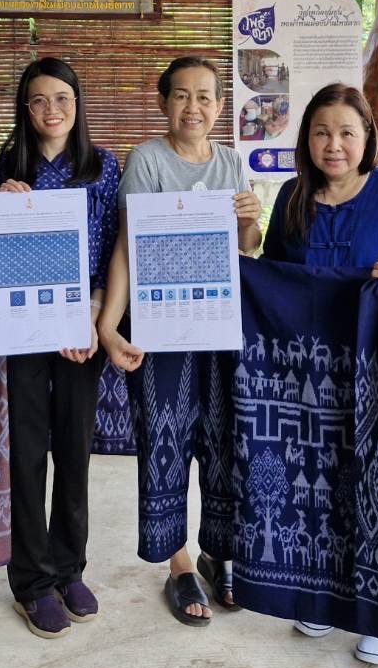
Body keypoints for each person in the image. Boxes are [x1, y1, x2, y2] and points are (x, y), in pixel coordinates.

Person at [260, 83, 378, 667]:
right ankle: (322, 596)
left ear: (367, 138)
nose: (333, 145)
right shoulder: (292, 196)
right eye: (321, 132)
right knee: (316, 482)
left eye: (346, 132)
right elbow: (270, 277)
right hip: (309, 373)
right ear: (306, 139)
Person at [97, 57, 263, 627]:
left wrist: (249, 218)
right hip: (160, 328)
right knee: (164, 437)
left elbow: (247, 247)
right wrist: (109, 326)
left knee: (223, 438)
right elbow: (127, 247)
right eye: (182, 96)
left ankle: (220, 552)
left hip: (218, 326)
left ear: (220, 105)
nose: (194, 107)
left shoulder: (231, 162)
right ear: (164, 102)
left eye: (205, 97)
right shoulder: (147, 159)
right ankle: (179, 562)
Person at [0, 58, 122, 639]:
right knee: (25, 452)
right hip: (20, 328)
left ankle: (70, 568)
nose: (51, 110)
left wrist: (92, 317)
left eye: (62, 98)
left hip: (81, 324)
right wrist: (1, 202)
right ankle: (31, 580)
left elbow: (114, 247)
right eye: (38, 100)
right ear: (25, 107)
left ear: (78, 102)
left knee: (73, 449)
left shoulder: (102, 166)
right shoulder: (5, 167)